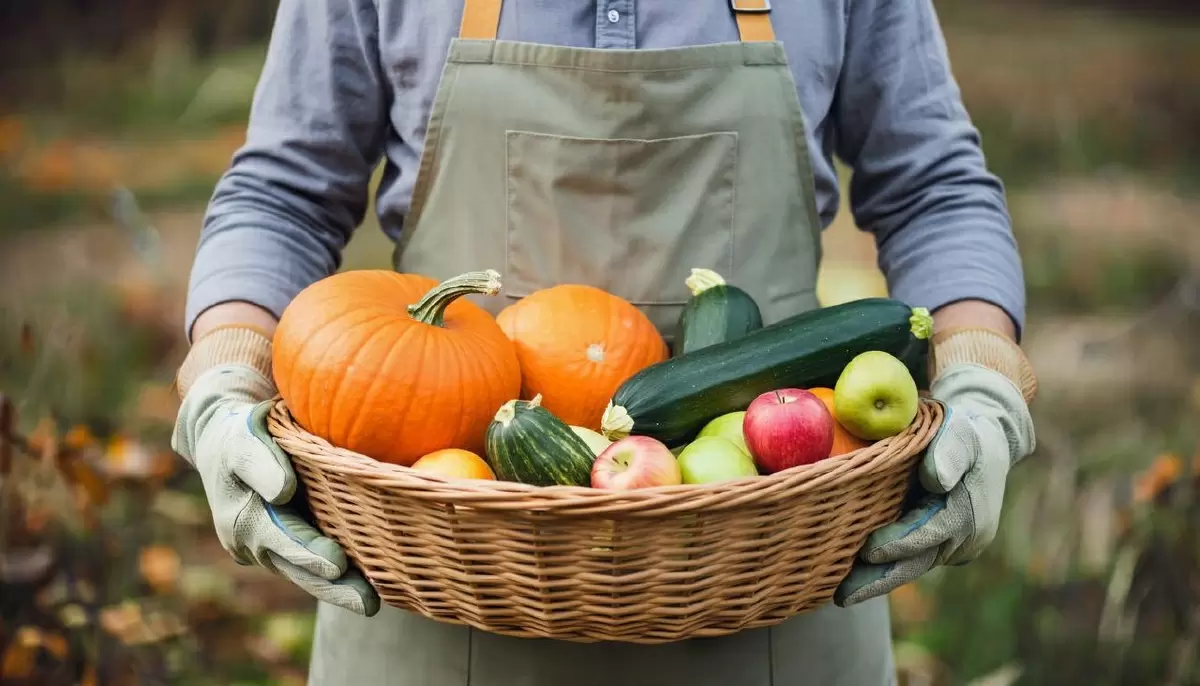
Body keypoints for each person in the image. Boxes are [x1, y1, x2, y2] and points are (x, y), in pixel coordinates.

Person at [170, 0, 1038, 683]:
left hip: (779, 591)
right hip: (437, 600)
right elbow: (283, 195)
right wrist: (225, 379)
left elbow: (934, 190)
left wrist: (982, 379)